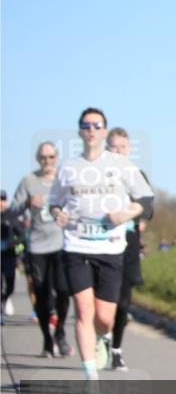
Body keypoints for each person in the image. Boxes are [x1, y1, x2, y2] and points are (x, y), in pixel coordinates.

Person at [49, 108, 155, 380]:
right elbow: (55, 202)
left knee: (105, 317)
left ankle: (103, 337)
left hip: (110, 247)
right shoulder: (69, 168)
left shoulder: (121, 165)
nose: (91, 130)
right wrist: (57, 214)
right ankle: (90, 376)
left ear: (104, 130)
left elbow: (146, 200)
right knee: (84, 310)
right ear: (80, 131)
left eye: (97, 125)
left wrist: (126, 214)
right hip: (76, 245)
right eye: (86, 125)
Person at [10, 143, 74, 358]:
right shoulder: (29, 181)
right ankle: (47, 338)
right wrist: (28, 202)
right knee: (42, 294)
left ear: (56, 157)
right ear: (38, 159)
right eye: (43, 157)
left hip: (62, 244)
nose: (47, 161)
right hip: (37, 247)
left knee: (64, 290)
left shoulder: (64, 180)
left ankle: (61, 332)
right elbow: (11, 211)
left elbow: (78, 205)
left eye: (51, 157)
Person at [106, 127, 154, 370]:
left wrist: (140, 216)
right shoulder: (97, 175)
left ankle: (116, 349)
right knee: (103, 301)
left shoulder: (137, 174)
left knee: (123, 301)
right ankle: (101, 336)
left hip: (128, 243)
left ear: (129, 149)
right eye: (113, 147)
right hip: (101, 244)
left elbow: (149, 207)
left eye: (122, 147)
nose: (118, 151)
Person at [1, 190, 23, 320]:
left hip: (9, 256)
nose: (0, 203)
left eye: (2, 200)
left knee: (10, 285)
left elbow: (22, 237)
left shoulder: (11, 216)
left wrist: (17, 248)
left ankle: (5, 298)